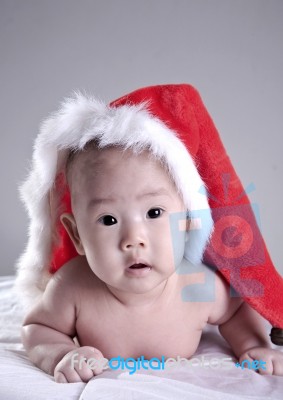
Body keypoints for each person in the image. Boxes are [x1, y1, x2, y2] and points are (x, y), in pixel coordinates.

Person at [17, 84, 283, 383]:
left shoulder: (196, 286)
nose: (134, 238)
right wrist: (61, 353)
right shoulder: (73, 287)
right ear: (76, 234)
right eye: (108, 219)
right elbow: (37, 328)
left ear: (186, 222)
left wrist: (253, 345)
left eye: (154, 213)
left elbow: (237, 311)